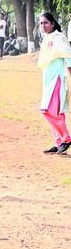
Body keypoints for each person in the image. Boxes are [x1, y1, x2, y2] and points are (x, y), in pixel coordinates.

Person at [38, 12, 71, 155]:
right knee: (55, 112)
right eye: (41, 23)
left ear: (52, 23)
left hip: (57, 78)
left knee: (47, 111)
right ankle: (58, 143)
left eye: (45, 23)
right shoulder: (47, 38)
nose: (43, 26)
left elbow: (68, 57)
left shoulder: (58, 38)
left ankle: (66, 138)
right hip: (48, 78)